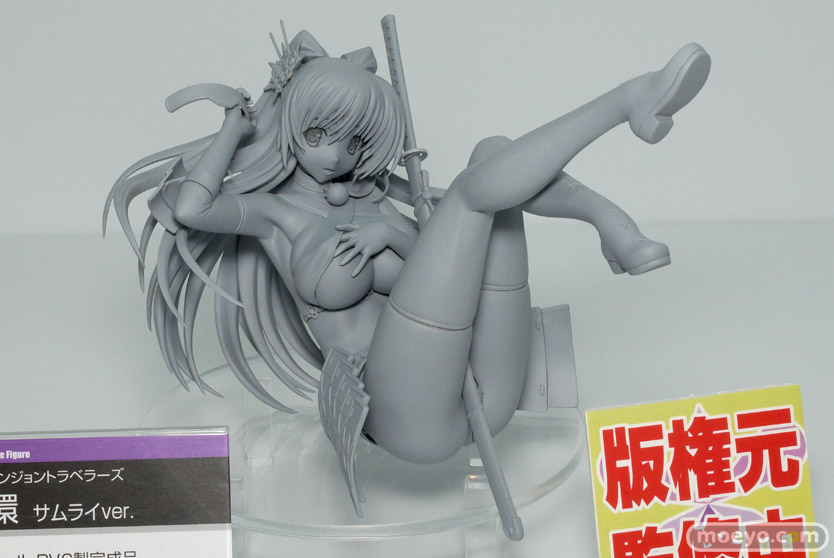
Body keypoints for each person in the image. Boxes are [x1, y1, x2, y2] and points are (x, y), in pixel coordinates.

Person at [105, 29, 708, 466]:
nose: (335, 154)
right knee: (472, 193)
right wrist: (232, 130)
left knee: (492, 154)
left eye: (354, 142)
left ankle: (610, 222)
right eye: (318, 133)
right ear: (291, 123)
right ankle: (627, 103)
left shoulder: (374, 197)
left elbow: (444, 268)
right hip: (404, 417)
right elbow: (192, 208)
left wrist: (391, 229)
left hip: (486, 385)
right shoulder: (274, 216)